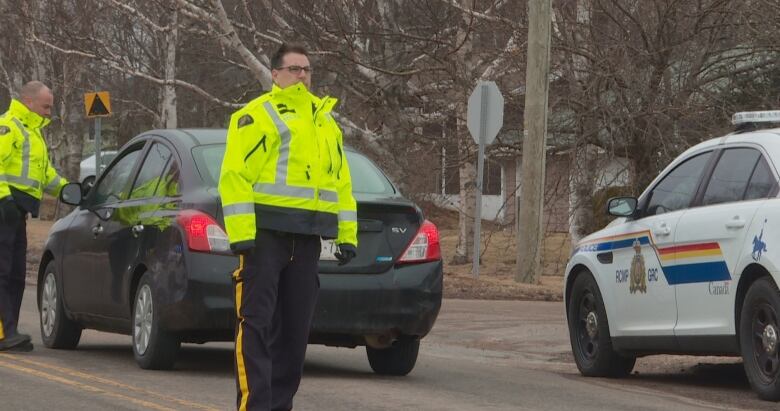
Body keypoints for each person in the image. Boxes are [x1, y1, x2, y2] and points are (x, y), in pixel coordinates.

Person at [219, 43, 358, 411]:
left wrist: (347, 235)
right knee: (256, 328)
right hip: (265, 239)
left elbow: (341, 183)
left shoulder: (325, 123)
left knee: (295, 337)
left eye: (307, 69)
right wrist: (242, 235)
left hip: (308, 241)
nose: (301, 76)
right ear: (275, 74)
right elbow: (234, 177)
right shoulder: (256, 116)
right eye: (294, 69)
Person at [0, 81, 67, 352]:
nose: (49, 112)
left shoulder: (34, 132)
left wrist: (70, 189)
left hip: (18, 212)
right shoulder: (10, 126)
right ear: (29, 102)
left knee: (16, 274)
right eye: (46, 106)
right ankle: (4, 332)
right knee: (2, 272)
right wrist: (4, 198)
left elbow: (45, 174)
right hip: (5, 209)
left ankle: (10, 329)